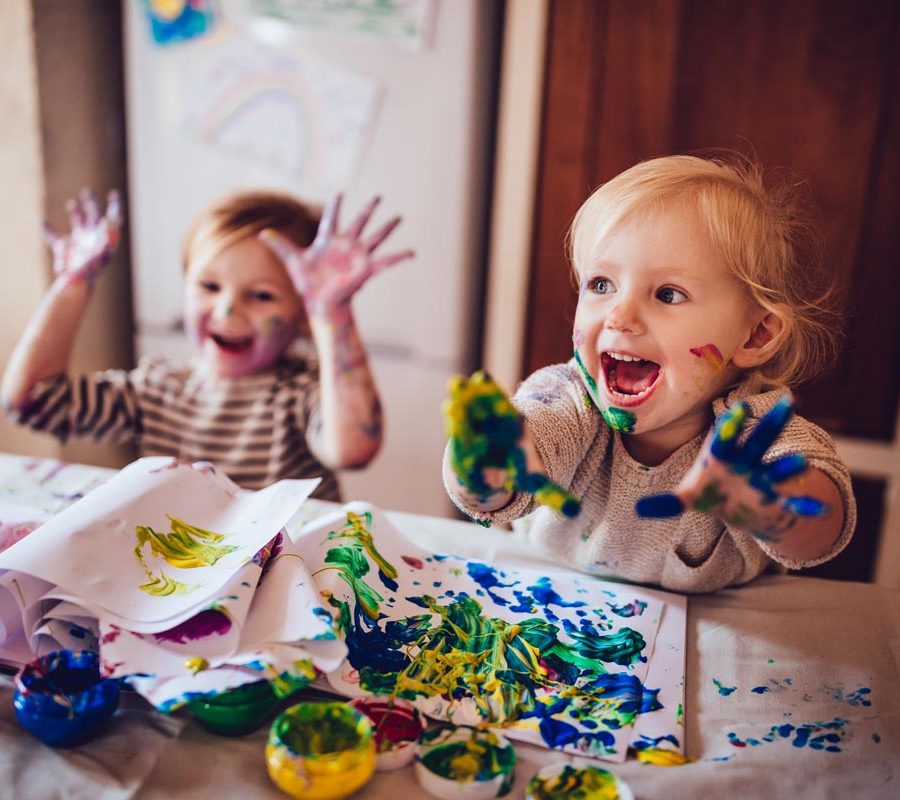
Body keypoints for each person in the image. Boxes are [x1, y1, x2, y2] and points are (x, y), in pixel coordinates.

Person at [443, 154, 855, 593]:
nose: (620, 316)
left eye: (667, 294)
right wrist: (482, 468)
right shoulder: (569, 398)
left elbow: (821, 532)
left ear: (754, 335)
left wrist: (770, 507)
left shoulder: (751, 436)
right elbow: (505, 476)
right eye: (601, 284)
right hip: (545, 601)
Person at [1, 189, 413, 499]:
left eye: (262, 295)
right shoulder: (157, 389)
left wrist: (332, 313)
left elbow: (353, 449)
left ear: (304, 316)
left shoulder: (300, 394)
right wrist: (73, 284)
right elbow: (30, 402)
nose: (227, 310)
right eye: (209, 286)